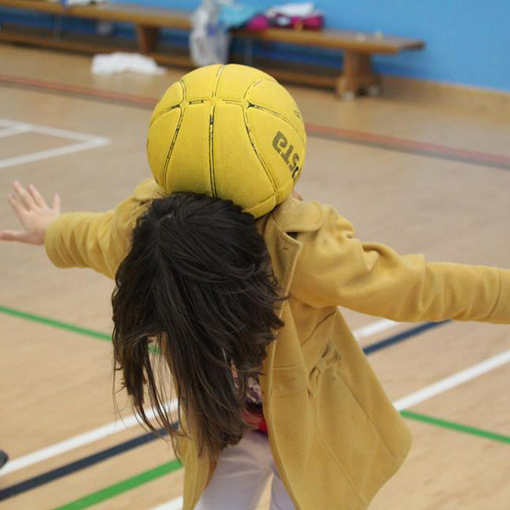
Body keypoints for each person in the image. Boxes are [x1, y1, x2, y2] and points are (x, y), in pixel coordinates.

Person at [1, 65, 509, 510]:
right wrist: (53, 231)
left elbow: (422, 287)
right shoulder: (155, 238)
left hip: (309, 431)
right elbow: (96, 238)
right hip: (227, 429)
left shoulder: (303, 255)